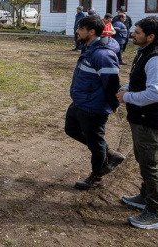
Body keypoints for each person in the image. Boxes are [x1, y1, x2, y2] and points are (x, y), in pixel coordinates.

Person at [117, 16, 158, 230]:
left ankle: (155, 212)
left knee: (150, 166)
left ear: (150, 37)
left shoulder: (157, 58)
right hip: (143, 119)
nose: (133, 33)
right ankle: (145, 197)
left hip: (150, 121)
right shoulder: (147, 52)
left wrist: (127, 97)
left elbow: (155, 93)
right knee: (144, 161)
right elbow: (141, 82)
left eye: (138, 32)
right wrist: (128, 87)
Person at [65, 15, 125, 190]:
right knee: (71, 129)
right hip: (80, 102)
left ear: (91, 32)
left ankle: (97, 178)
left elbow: (112, 84)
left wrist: (114, 105)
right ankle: (110, 153)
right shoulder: (90, 48)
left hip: (93, 107)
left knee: (95, 142)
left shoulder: (103, 54)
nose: (77, 31)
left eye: (80, 29)